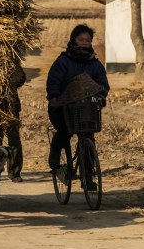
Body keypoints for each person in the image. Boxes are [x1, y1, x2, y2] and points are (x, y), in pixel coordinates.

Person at [45, 24, 109, 179]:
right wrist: (55, 96)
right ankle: (54, 161)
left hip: (86, 108)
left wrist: (101, 95)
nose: (85, 42)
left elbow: (103, 83)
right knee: (64, 132)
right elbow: (53, 81)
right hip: (62, 107)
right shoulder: (63, 61)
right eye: (81, 39)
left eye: (88, 40)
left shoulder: (95, 64)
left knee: (88, 138)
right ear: (74, 40)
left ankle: (88, 175)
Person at [1, 60, 26, 182]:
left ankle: (15, 172)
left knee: (14, 137)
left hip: (11, 105)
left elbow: (21, 77)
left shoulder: (9, 58)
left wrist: (7, 86)